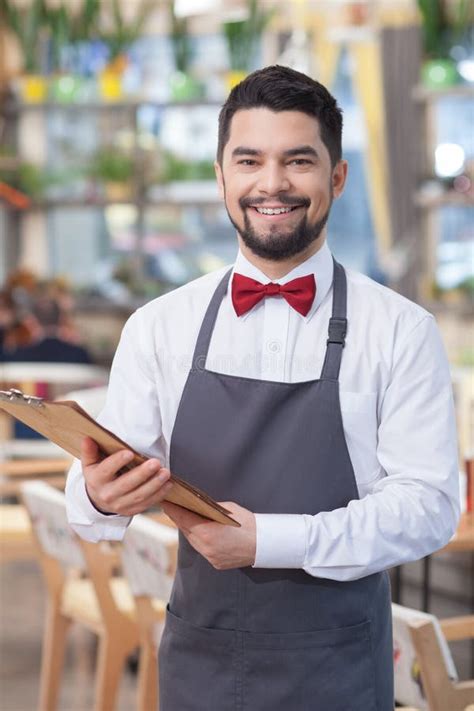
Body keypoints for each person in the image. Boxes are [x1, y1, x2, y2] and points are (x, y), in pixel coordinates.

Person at [66, 65, 459, 710]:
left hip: (340, 671)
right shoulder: (158, 327)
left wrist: (270, 540)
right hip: (201, 665)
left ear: (337, 176)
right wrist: (103, 498)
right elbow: (92, 506)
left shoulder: (401, 331)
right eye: (248, 160)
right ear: (222, 176)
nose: (271, 184)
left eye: (298, 161)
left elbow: (430, 506)